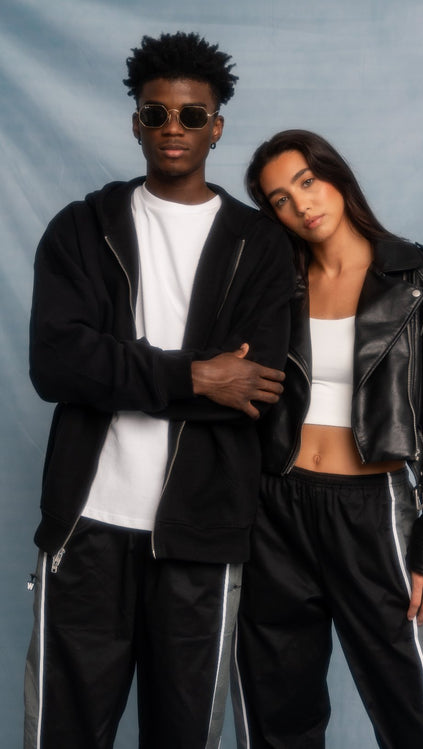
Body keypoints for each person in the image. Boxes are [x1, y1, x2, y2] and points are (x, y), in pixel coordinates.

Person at [24, 32, 294, 749]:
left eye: (192, 115)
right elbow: (57, 364)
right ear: (136, 123)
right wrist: (195, 375)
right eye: (157, 114)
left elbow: (256, 385)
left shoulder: (259, 245)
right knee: (64, 732)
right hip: (87, 527)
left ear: (217, 126)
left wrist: (117, 371)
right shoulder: (84, 228)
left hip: (201, 535)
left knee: (184, 735)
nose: (174, 128)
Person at [232, 130, 423, 749]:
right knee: (275, 712)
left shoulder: (418, 279)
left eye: (307, 182)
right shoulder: (273, 284)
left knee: (416, 712)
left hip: (374, 510)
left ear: (335, 177)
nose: (301, 205)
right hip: (276, 510)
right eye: (280, 200)